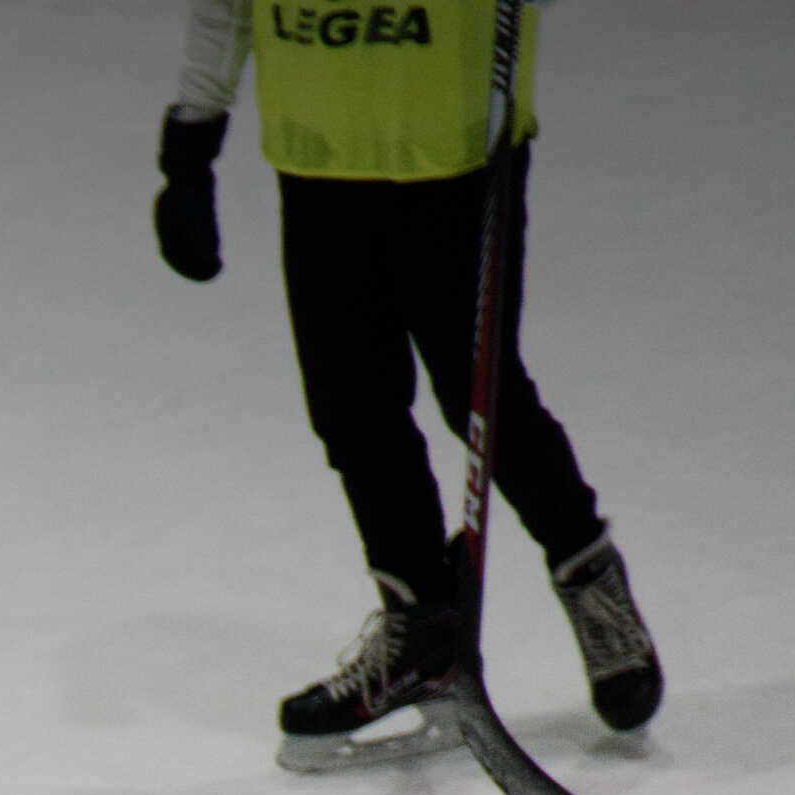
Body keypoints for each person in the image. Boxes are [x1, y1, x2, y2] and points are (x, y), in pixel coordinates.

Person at [148, 0, 661, 756]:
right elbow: (226, 8)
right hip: (320, 162)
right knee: (351, 409)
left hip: (454, 156)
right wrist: (191, 148)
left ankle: (588, 574)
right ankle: (420, 631)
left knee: (481, 397)